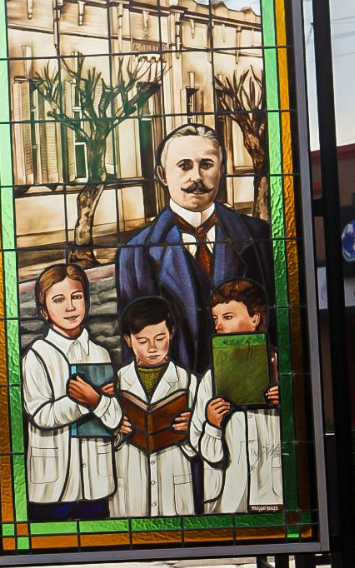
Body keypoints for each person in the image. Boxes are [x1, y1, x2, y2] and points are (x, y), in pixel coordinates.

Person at [115, 122, 276, 376]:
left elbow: (277, 324)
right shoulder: (135, 253)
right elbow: (132, 348)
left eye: (207, 165)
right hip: (178, 399)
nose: (196, 177)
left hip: (246, 389)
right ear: (162, 174)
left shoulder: (257, 236)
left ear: (221, 170)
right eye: (185, 165)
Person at [21, 262, 122, 520]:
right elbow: (41, 415)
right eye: (59, 300)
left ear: (86, 301)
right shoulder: (36, 356)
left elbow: (113, 418)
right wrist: (86, 402)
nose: (70, 307)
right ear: (44, 311)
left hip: (96, 481)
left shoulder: (101, 354)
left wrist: (97, 400)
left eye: (76, 297)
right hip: (54, 484)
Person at [189, 278, 283, 514]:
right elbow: (199, 447)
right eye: (215, 319)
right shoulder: (210, 379)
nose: (218, 326)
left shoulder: (283, 371)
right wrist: (212, 424)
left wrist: (288, 406)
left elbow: (304, 441)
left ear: (255, 318)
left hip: (274, 491)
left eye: (227, 317)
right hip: (228, 497)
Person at [109, 296, 197, 519]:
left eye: (160, 338)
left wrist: (192, 428)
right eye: (142, 341)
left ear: (171, 333)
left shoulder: (187, 381)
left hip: (174, 477)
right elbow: (102, 441)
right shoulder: (116, 382)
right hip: (130, 478)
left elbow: (204, 443)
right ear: (128, 340)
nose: (153, 348)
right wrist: (116, 430)